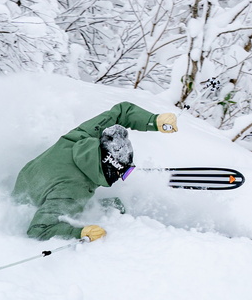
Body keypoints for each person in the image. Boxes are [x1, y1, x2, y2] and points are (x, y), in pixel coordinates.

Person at [12, 101, 179, 241]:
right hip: (33, 200)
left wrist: (153, 120)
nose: (123, 177)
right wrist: (79, 232)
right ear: (108, 167)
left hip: (30, 176)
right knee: (116, 207)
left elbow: (121, 112)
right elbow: (38, 230)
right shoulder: (73, 191)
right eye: (124, 173)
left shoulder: (82, 135)